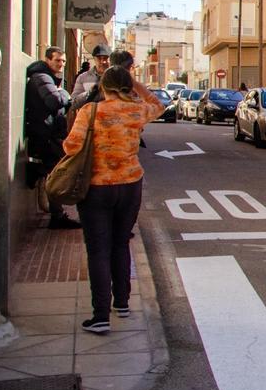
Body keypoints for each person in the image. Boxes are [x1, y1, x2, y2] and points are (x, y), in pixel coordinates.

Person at [62, 66, 165, 334]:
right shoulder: (136, 110)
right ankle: (122, 302)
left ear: (103, 86)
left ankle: (100, 315)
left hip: (96, 187)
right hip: (130, 185)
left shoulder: (90, 112)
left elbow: (71, 146)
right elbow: (159, 104)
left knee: (98, 249)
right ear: (127, 86)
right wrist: (136, 83)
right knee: (121, 243)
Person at [25, 47, 81, 229]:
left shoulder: (48, 78)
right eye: (57, 60)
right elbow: (55, 102)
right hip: (45, 136)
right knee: (56, 175)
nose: (61, 64)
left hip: (48, 134)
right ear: (47, 60)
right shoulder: (42, 77)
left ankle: (57, 214)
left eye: (63, 61)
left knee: (53, 174)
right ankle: (57, 216)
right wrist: (64, 94)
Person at [70, 43, 111, 110]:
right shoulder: (83, 77)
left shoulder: (116, 77)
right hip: (89, 118)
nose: (103, 62)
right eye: (99, 58)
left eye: (105, 58)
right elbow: (73, 103)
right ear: (94, 59)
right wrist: (91, 92)